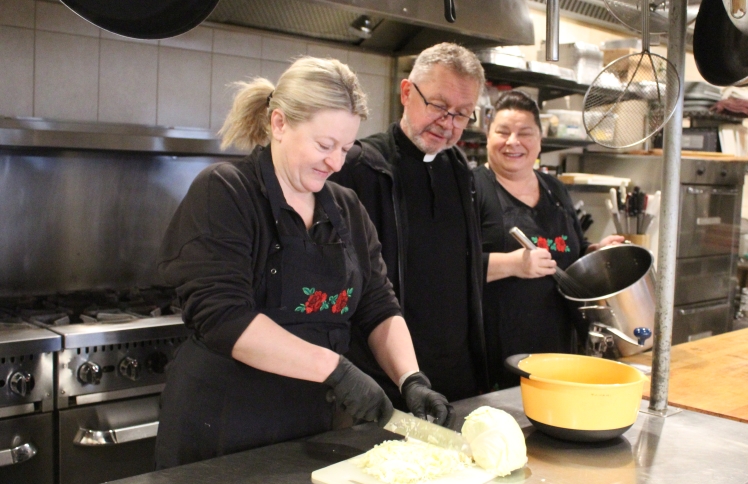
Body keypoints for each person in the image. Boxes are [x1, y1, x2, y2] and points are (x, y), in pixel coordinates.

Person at [154, 57, 452, 469]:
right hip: (224, 427)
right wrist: (336, 370)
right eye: (324, 145)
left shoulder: (345, 207)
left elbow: (378, 305)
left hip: (312, 428)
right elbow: (223, 317)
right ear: (279, 124)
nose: (336, 163)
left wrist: (410, 378)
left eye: (346, 148)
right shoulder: (225, 192)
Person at [329, 43, 488, 408]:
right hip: (384, 378)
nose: (447, 124)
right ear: (406, 93)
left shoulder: (461, 170)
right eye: (438, 106)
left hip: (456, 375)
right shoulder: (360, 166)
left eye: (462, 114)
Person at [475, 90, 623, 390]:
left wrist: (595, 252)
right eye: (502, 132)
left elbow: (573, 251)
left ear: (540, 141)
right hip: (495, 355)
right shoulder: (471, 189)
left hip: (558, 350)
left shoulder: (555, 189)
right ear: (487, 137)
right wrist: (512, 264)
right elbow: (445, 268)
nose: (513, 142)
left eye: (524, 133)